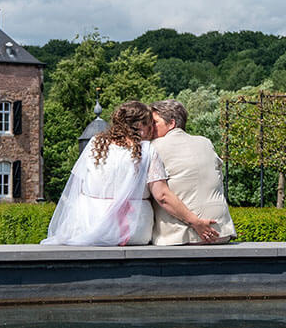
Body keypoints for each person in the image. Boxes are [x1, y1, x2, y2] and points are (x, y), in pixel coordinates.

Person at [42, 100, 219, 246]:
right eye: (151, 125)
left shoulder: (96, 143)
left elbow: (77, 187)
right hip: (131, 230)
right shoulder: (147, 150)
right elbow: (162, 196)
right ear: (141, 126)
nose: (153, 131)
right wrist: (195, 222)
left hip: (86, 225)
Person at [149, 99, 236, 245]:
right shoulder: (205, 142)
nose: (150, 128)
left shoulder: (154, 147)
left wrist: (196, 222)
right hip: (221, 231)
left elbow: (162, 196)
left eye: (154, 123)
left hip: (181, 237)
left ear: (171, 123)